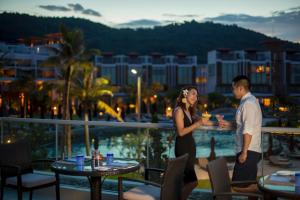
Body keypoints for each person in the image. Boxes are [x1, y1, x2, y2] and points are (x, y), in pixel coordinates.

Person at [219, 75, 262, 185]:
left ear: (240, 88)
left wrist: (244, 152)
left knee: (239, 186)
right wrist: (228, 124)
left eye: (233, 88)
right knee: (249, 185)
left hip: (248, 151)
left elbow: (248, 130)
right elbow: (242, 125)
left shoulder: (248, 104)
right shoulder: (248, 101)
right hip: (249, 150)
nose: (232, 91)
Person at [173, 86, 213, 199]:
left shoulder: (189, 111)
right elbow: (180, 132)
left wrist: (219, 123)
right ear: (185, 95)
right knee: (192, 182)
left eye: (196, 95)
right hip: (182, 148)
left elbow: (203, 121)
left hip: (189, 147)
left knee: (187, 181)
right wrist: (198, 124)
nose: (196, 97)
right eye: (193, 94)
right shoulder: (178, 111)